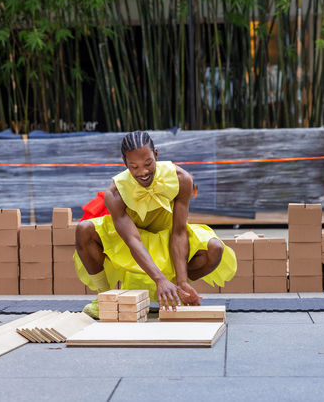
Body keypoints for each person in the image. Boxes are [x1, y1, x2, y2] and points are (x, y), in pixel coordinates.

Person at [74, 131, 236, 317]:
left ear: (156, 155)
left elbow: (179, 232)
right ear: (124, 163)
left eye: (148, 163)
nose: (142, 172)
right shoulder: (115, 193)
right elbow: (132, 239)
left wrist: (183, 281)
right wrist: (159, 278)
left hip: (167, 240)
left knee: (214, 249)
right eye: (134, 167)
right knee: (84, 230)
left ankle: (176, 290)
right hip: (132, 243)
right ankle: (104, 299)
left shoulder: (182, 179)